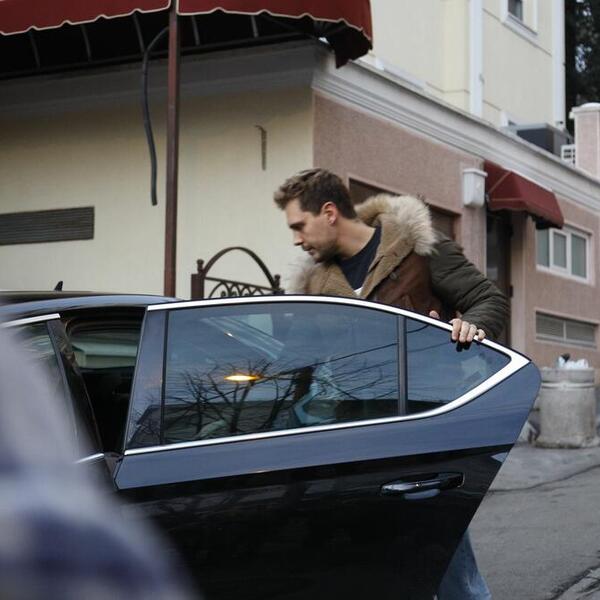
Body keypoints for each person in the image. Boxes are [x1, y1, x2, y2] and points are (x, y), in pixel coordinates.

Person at [273, 168, 509, 600]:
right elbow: (295, 368)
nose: (296, 240)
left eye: (299, 225)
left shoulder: (417, 248)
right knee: (378, 569)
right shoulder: (315, 285)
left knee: (450, 566)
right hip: (356, 444)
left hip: (424, 430)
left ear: (329, 213)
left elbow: (487, 299)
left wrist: (469, 326)